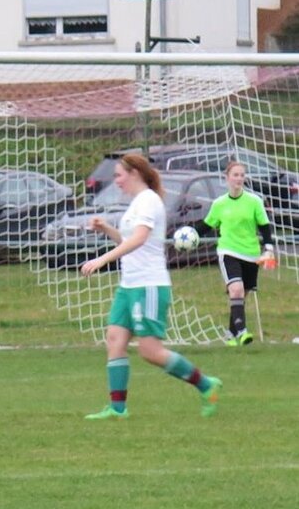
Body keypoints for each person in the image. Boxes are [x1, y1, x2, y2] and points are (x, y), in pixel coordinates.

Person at [80, 153, 222, 420]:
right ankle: (118, 409)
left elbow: (141, 239)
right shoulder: (137, 203)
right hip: (129, 284)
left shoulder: (149, 200)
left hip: (149, 284)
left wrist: (101, 260)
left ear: (134, 173)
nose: (116, 181)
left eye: (118, 175)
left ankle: (206, 385)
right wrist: (107, 229)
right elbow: (128, 238)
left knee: (150, 351)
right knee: (115, 339)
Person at [203, 161, 276, 346]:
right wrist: (189, 234)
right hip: (228, 251)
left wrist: (268, 249)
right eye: (235, 175)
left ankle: (230, 335)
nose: (239, 178)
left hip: (251, 253)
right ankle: (243, 332)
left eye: (242, 175)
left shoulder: (254, 201)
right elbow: (206, 225)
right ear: (227, 178)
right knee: (236, 289)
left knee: (242, 296)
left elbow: (264, 226)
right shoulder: (219, 204)